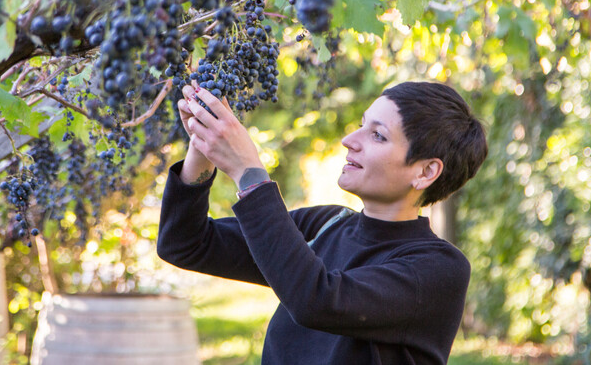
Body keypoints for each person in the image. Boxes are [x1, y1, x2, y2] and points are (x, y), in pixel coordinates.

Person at [157, 80, 488, 365]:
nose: (350, 140)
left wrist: (249, 173)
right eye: (361, 124)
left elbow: (316, 302)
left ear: (426, 172)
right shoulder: (325, 224)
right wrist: (202, 147)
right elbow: (186, 244)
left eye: (378, 135)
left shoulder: (437, 269)